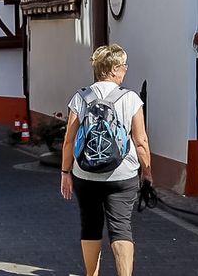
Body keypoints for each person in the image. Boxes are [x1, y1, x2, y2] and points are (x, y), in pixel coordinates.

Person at [60, 44, 153, 276]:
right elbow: (141, 141)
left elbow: (69, 140)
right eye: (123, 66)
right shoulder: (130, 98)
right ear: (113, 69)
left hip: (85, 174)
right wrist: (147, 173)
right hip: (122, 174)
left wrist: (65, 172)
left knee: (90, 225)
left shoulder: (81, 97)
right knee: (121, 227)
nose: (125, 70)